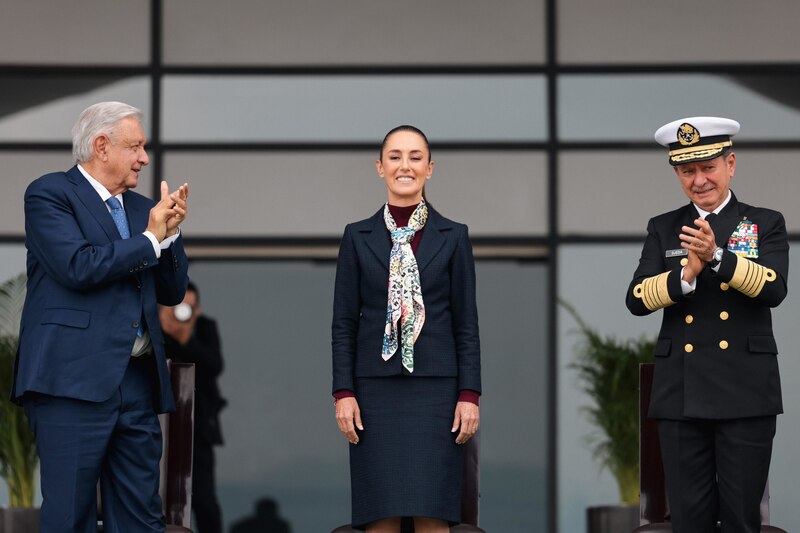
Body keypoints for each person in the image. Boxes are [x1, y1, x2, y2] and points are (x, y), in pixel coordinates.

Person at [12, 101, 190, 533]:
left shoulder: (142, 207)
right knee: (70, 517)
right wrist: (150, 238)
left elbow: (171, 291)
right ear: (102, 145)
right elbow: (78, 265)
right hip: (71, 381)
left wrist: (171, 236)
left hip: (136, 383)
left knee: (140, 518)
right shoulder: (50, 194)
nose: (144, 158)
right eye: (136, 147)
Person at [626, 117, 788, 532]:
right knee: (688, 521)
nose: (699, 180)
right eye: (687, 171)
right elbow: (637, 299)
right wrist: (686, 276)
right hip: (682, 393)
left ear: (730, 164)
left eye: (708, 167)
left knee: (740, 519)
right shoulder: (663, 227)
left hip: (745, 392)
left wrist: (717, 258)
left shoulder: (763, 222)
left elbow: (774, 289)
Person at [331, 125, 481, 533]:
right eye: (395, 157)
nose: (405, 166)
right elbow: (344, 324)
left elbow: (466, 324)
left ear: (430, 168)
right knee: (380, 517)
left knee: (434, 516)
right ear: (380, 167)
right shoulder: (356, 237)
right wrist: (343, 392)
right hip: (374, 393)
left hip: (437, 391)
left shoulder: (455, 236)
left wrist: (469, 394)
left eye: (415, 157)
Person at [160, 281, 226, 533]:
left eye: (189, 307)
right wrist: (164, 328)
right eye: (178, 306)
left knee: (205, 501)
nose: (182, 312)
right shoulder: (153, 327)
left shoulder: (205, 328)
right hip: (159, 423)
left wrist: (186, 337)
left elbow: (214, 366)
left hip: (198, 427)